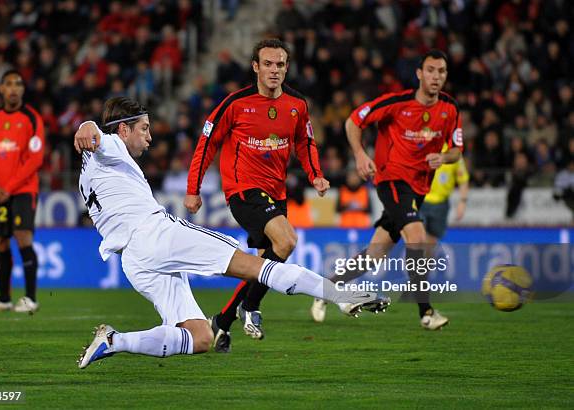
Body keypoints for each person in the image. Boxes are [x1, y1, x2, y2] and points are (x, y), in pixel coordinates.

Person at [73, 97, 388, 369]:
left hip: (134, 260)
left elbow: (95, 143)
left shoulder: (87, 174)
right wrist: (88, 125)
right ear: (124, 129)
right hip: (155, 235)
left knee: (200, 337)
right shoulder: (112, 144)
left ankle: (114, 341)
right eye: (144, 128)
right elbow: (96, 135)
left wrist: (90, 130)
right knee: (259, 268)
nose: (150, 137)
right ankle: (341, 295)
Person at [185, 39, 330, 352]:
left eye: (280, 64)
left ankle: (222, 321)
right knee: (287, 241)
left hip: (276, 192)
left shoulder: (297, 104)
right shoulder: (235, 104)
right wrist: (192, 189)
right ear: (255, 67)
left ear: (286, 67)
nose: (274, 70)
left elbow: (305, 143)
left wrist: (315, 174)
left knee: (264, 264)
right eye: (268, 64)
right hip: (243, 189)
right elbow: (207, 143)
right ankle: (249, 307)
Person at [311, 50, 463, 330]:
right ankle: (426, 312)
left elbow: (456, 150)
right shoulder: (397, 103)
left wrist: (444, 158)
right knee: (417, 235)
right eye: (430, 70)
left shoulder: (450, 109)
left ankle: (325, 289)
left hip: (419, 187)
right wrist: (360, 154)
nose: (436, 76)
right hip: (391, 179)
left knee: (375, 254)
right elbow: (353, 121)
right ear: (419, 73)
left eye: (441, 71)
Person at [0, 69, 45, 314]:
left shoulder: (32, 118)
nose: (14, 88)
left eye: (18, 84)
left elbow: (35, 160)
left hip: (23, 190)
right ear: (1, 89)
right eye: (9, 84)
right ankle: (4, 299)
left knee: (22, 236)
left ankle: (30, 298)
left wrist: (8, 187)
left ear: (23, 90)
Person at [421, 143, 469, 248]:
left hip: (441, 204)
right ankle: (415, 263)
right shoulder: (422, 144)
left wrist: (463, 202)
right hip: (420, 201)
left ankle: (426, 264)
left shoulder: (453, 153)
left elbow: (463, 180)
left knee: (432, 240)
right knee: (418, 236)